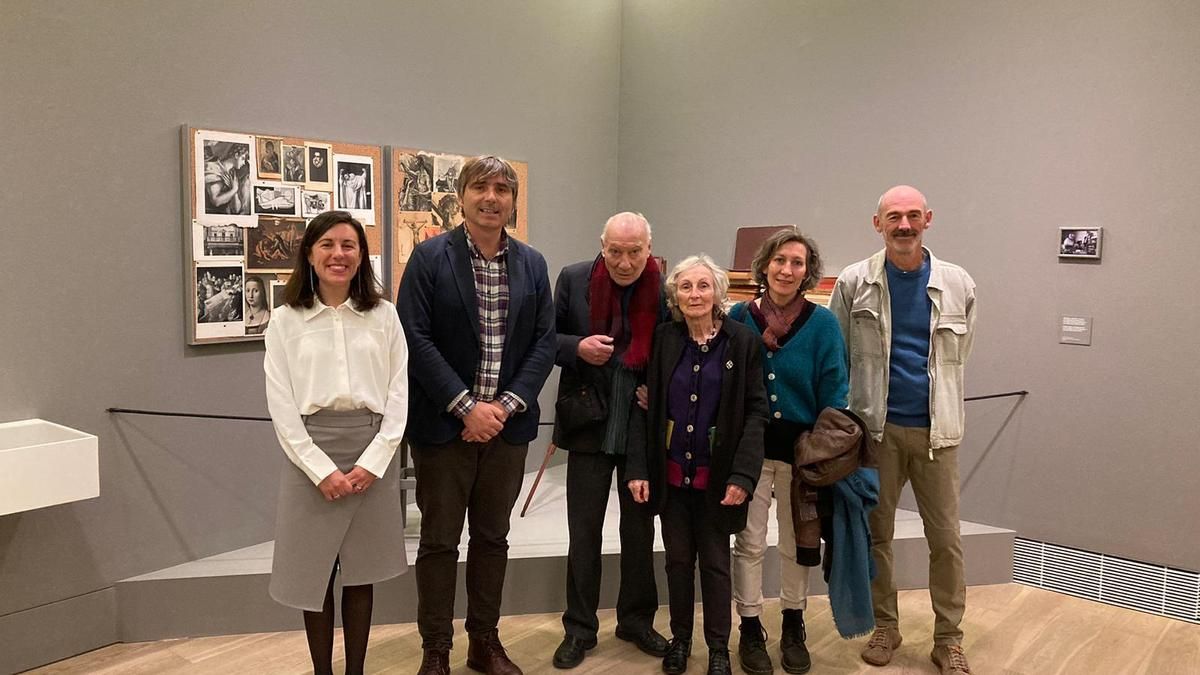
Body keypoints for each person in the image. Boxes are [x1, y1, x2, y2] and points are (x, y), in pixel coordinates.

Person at [397, 155, 555, 675]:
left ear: (513, 200)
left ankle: (484, 642)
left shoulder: (532, 264)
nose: (492, 197)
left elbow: (543, 342)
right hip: (444, 429)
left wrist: (503, 409)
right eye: (480, 187)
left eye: (502, 189)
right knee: (439, 542)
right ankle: (435, 650)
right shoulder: (428, 258)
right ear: (460, 196)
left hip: (506, 433)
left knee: (493, 539)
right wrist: (467, 408)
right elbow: (414, 339)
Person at [829, 185, 977, 675]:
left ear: (928, 219)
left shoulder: (959, 283)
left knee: (946, 541)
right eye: (894, 217)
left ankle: (949, 639)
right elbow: (840, 355)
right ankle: (885, 626)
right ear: (878, 224)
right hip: (877, 432)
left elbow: (960, 356)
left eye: (913, 215)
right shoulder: (854, 282)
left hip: (938, 435)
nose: (904, 225)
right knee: (877, 535)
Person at [263, 210, 409, 675]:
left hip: (371, 452)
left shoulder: (384, 315)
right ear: (309, 253)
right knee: (315, 573)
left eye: (349, 245)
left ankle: (355, 671)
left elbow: (399, 393)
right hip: (310, 455)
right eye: (327, 244)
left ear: (362, 256)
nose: (338, 254)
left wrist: (376, 461)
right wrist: (319, 469)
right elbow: (281, 404)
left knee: (362, 573)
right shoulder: (286, 320)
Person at [627, 254, 768, 675]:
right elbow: (644, 409)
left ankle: (719, 649)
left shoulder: (742, 341)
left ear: (718, 293)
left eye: (703, 286)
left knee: (715, 564)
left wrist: (743, 475)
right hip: (671, 478)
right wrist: (638, 468)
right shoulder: (665, 339)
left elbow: (756, 412)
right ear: (675, 294)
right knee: (676, 561)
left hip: (719, 480)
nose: (695, 294)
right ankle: (681, 640)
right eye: (685, 287)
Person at [550, 212, 670, 669]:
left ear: (649, 246)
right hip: (588, 425)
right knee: (584, 533)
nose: (624, 262)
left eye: (634, 251)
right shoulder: (574, 278)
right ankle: (580, 628)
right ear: (602, 246)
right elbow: (546, 338)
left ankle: (636, 621)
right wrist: (577, 347)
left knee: (639, 531)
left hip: (639, 426)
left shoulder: (664, 287)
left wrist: (656, 388)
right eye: (615, 251)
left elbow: (675, 348)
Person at [727, 228, 848, 675]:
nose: (786, 270)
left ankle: (794, 623)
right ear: (764, 266)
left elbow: (836, 393)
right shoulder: (739, 317)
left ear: (807, 273)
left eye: (797, 263)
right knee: (750, 542)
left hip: (802, 455)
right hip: (750, 451)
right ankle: (750, 626)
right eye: (779, 260)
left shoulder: (823, 325)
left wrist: (822, 452)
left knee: (799, 544)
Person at [204, 142, 250, 215]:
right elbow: (216, 201)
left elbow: (236, 210)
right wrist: (234, 189)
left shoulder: (232, 174)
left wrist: (234, 190)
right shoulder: (214, 168)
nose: (244, 163)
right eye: (243, 158)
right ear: (236, 155)